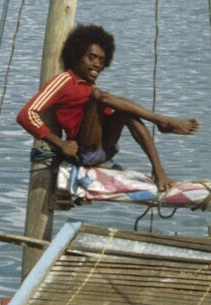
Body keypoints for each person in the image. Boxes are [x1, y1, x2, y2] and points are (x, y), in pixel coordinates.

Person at [16, 23, 199, 193]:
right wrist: (60, 144)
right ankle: (162, 121)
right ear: (77, 56)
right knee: (99, 96)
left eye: (102, 60)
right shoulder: (64, 80)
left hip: (106, 150)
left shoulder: (90, 87)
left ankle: (159, 172)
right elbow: (26, 115)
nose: (97, 64)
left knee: (126, 113)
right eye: (91, 57)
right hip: (83, 152)